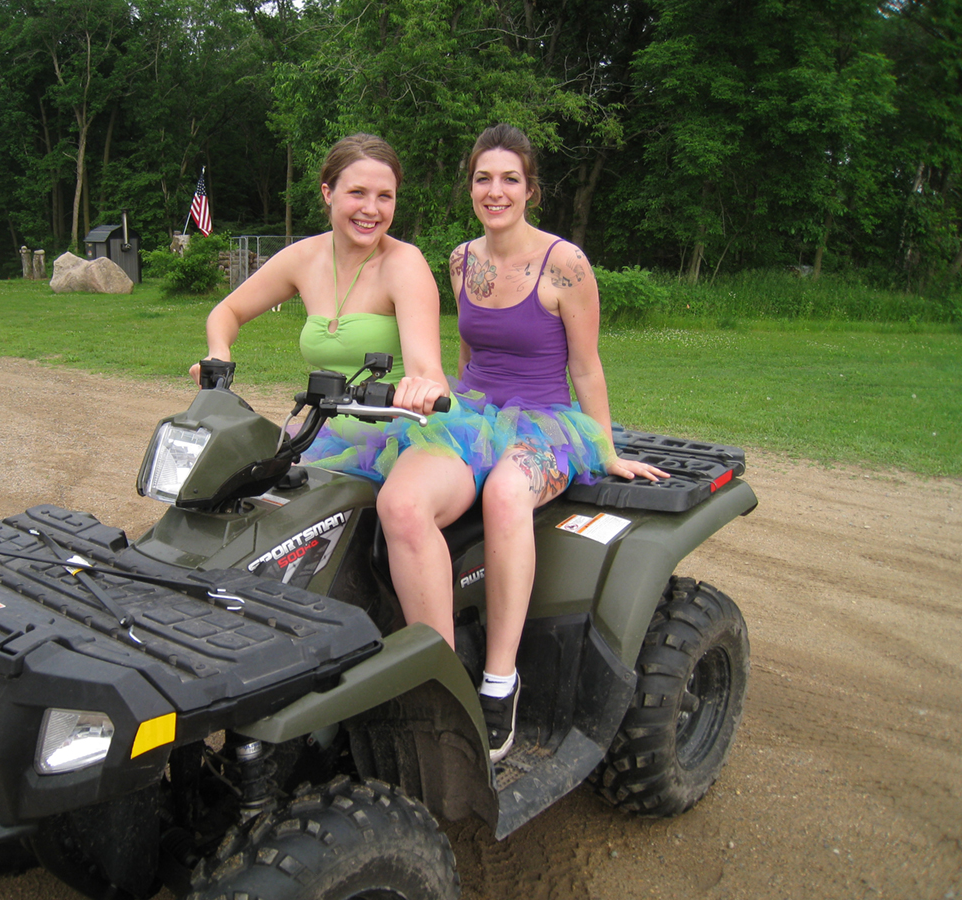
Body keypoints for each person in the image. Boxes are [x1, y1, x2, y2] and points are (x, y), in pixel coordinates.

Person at [375, 124, 668, 762]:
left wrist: (607, 449)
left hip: (544, 422)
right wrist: (447, 414)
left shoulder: (565, 264)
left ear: (530, 188)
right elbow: (468, 350)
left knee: (508, 494)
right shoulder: (459, 260)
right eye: (484, 177)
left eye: (510, 178)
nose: (495, 190)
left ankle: (500, 680)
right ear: (471, 185)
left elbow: (586, 368)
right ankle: (434, 665)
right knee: (401, 501)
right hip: (473, 412)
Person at [191, 134, 448, 465]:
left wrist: (424, 389)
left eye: (385, 197)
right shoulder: (304, 257)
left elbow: (427, 369)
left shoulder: (404, 264)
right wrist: (218, 356)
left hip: (405, 437)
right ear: (328, 193)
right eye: (357, 193)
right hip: (327, 436)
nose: (371, 209)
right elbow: (227, 310)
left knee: (400, 510)